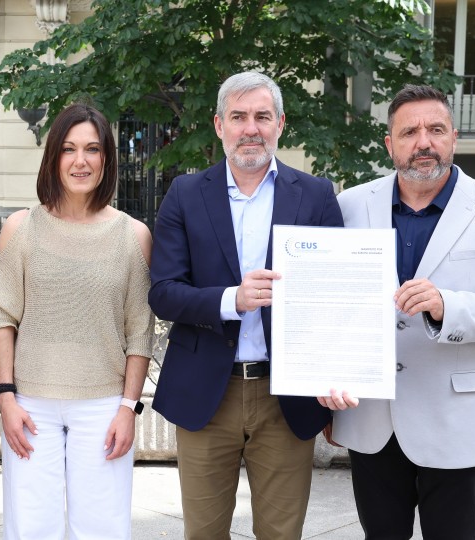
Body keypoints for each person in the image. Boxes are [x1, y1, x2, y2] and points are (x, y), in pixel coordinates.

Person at [320, 84, 475, 539]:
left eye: (435, 129)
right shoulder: (348, 206)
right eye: (409, 132)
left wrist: (449, 306)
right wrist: (324, 381)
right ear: (390, 144)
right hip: (371, 421)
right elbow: (329, 306)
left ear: (454, 137)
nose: (423, 142)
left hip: (455, 423)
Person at [148, 71, 344, 539]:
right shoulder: (186, 193)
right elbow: (163, 292)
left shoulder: (316, 195)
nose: (250, 128)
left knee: (281, 533)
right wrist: (230, 300)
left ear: (280, 123)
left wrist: (338, 383)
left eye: (261, 116)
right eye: (238, 117)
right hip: (205, 396)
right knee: (204, 533)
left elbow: (336, 299)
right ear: (219, 125)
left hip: (286, 396)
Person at [0, 103, 153, 539]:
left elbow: (139, 330)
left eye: (93, 149)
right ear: (53, 158)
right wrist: (6, 399)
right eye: (69, 149)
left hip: (103, 406)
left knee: (102, 529)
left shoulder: (133, 235)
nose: (81, 161)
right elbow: (2, 316)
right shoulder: (21, 228)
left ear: (107, 159)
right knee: (29, 528)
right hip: (29, 405)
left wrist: (128, 409)